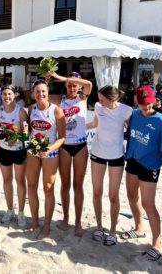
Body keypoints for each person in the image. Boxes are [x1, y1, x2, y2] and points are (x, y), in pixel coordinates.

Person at [122, 85, 162, 261]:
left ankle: (157, 243)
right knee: (131, 196)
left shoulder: (161, 121)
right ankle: (139, 228)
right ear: (137, 102)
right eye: (143, 103)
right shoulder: (135, 115)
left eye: (149, 103)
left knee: (148, 204)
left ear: (154, 101)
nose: (146, 107)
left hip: (150, 164)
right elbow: (128, 134)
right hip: (133, 159)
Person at [86, 85, 133, 246]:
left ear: (112, 99)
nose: (99, 102)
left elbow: (131, 127)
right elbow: (94, 124)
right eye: (99, 99)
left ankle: (112, 231)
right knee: (97, 192)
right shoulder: (99, 107)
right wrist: (77, 126)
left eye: (102, 99)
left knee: (113, 196)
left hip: (116, 156)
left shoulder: (126, 110)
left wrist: (128, 125)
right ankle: (99, 226)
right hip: (97, 153)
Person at [48, 70, 92, 236]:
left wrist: (63, 77)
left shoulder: (83, 98)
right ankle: (66, 219)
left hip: (80, 145)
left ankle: (78, 222)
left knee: (78, 186)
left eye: (76, 85)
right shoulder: (61, 99)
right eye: (70, 85)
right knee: (65, 185)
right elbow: (42, 96)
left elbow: (89, 85)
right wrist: (47, 79)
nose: (73, 87)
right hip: (65, 145)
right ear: (66, 86)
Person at [26, 79, 66, 238]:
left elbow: (62, 137)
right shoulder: (31, 108)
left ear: (48, 93)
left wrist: (48, 149)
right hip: (33, 151)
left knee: (48, 188)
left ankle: (47, 225)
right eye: (37, 92)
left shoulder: (56, 111)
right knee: (31, 186)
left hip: (50, 153)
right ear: (33, 94)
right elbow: (29, 131)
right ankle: (35, 221)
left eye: (43, 91)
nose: (40, 94)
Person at [0, 85, 28, 227]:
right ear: (1, 96)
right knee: (7, 180)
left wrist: (17, 138)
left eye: (9, 94)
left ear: (14, 95)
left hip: (19, 150)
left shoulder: (20, 112)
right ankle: (10, 210)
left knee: (20, 181)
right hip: (3, 149)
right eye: (4, 94)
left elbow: (26, 134)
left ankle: (21, 212)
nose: (7, 97)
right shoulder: (0, 111)